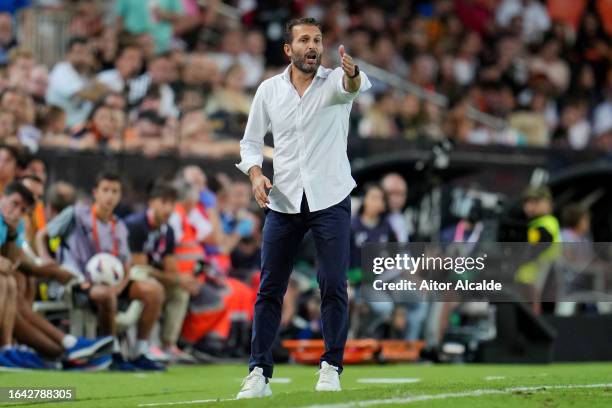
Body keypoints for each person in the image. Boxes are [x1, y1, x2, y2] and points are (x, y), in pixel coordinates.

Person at [234, 17, 371, 398]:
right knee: (270, 288)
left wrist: (353, 72)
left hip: (330, 197)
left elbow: (353, 86)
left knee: (332, 283)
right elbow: (249, 143)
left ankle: (331, 366)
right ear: (288, 49)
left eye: (318, 40)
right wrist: (256, 174)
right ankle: (258, 373)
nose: (313, 46)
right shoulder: (268, 90)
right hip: (283, 199)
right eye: (305, 40)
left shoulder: (335, 82)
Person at [35, 172, 166, 371]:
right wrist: (46, 260)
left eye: (115, 191)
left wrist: (120, 286)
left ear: (120, 196)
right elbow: (41, 235)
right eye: (105, 190)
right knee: (105, 295)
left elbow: (126, 263)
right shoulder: (76, 214)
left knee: (154, 291)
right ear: (95, 192)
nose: (110, 196)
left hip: (112, 283)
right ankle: (111, 353)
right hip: (77, 282)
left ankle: (140, 351)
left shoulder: (120, 226)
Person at [125, 181, 199, 363]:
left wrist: (181, 280)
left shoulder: (169, 231)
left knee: (180, 291)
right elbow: (140, 267)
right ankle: (148, 344)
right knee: (155, 285)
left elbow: (170, 267)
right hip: (130, 278)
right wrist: (175, 278)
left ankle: (168, 344)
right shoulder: (136, 225)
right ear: (151, 202)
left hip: (152, 277)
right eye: (164, 202)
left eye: (172, 203)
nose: (168, 208)